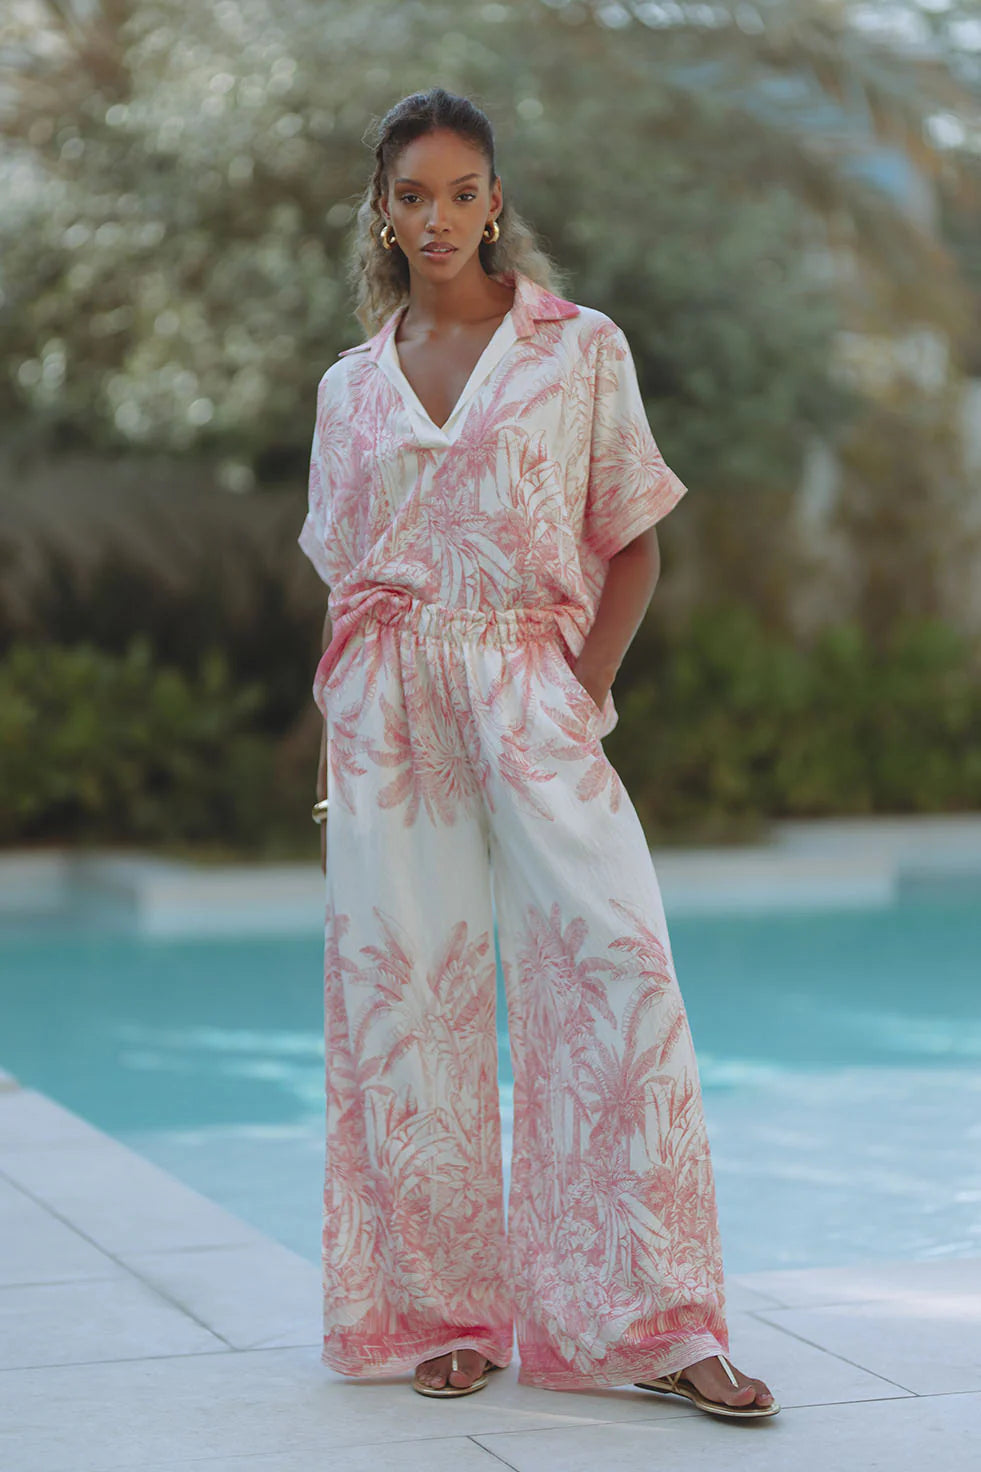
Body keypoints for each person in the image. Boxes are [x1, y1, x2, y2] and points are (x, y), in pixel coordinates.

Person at [299, 86, 778, 1420]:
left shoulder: (578, 350)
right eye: (412, 196)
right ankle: (441, 1313)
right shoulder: (348, 389)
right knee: (408, 1003)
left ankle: (660, 1321)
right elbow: (346, 576)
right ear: (381, 212)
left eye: (461, 193)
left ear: (494, 201)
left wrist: (580, 690)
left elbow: (633, 541)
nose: (437, 219)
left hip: (533, 689)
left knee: (619, 973)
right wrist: (346, 735)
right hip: (391, 713)